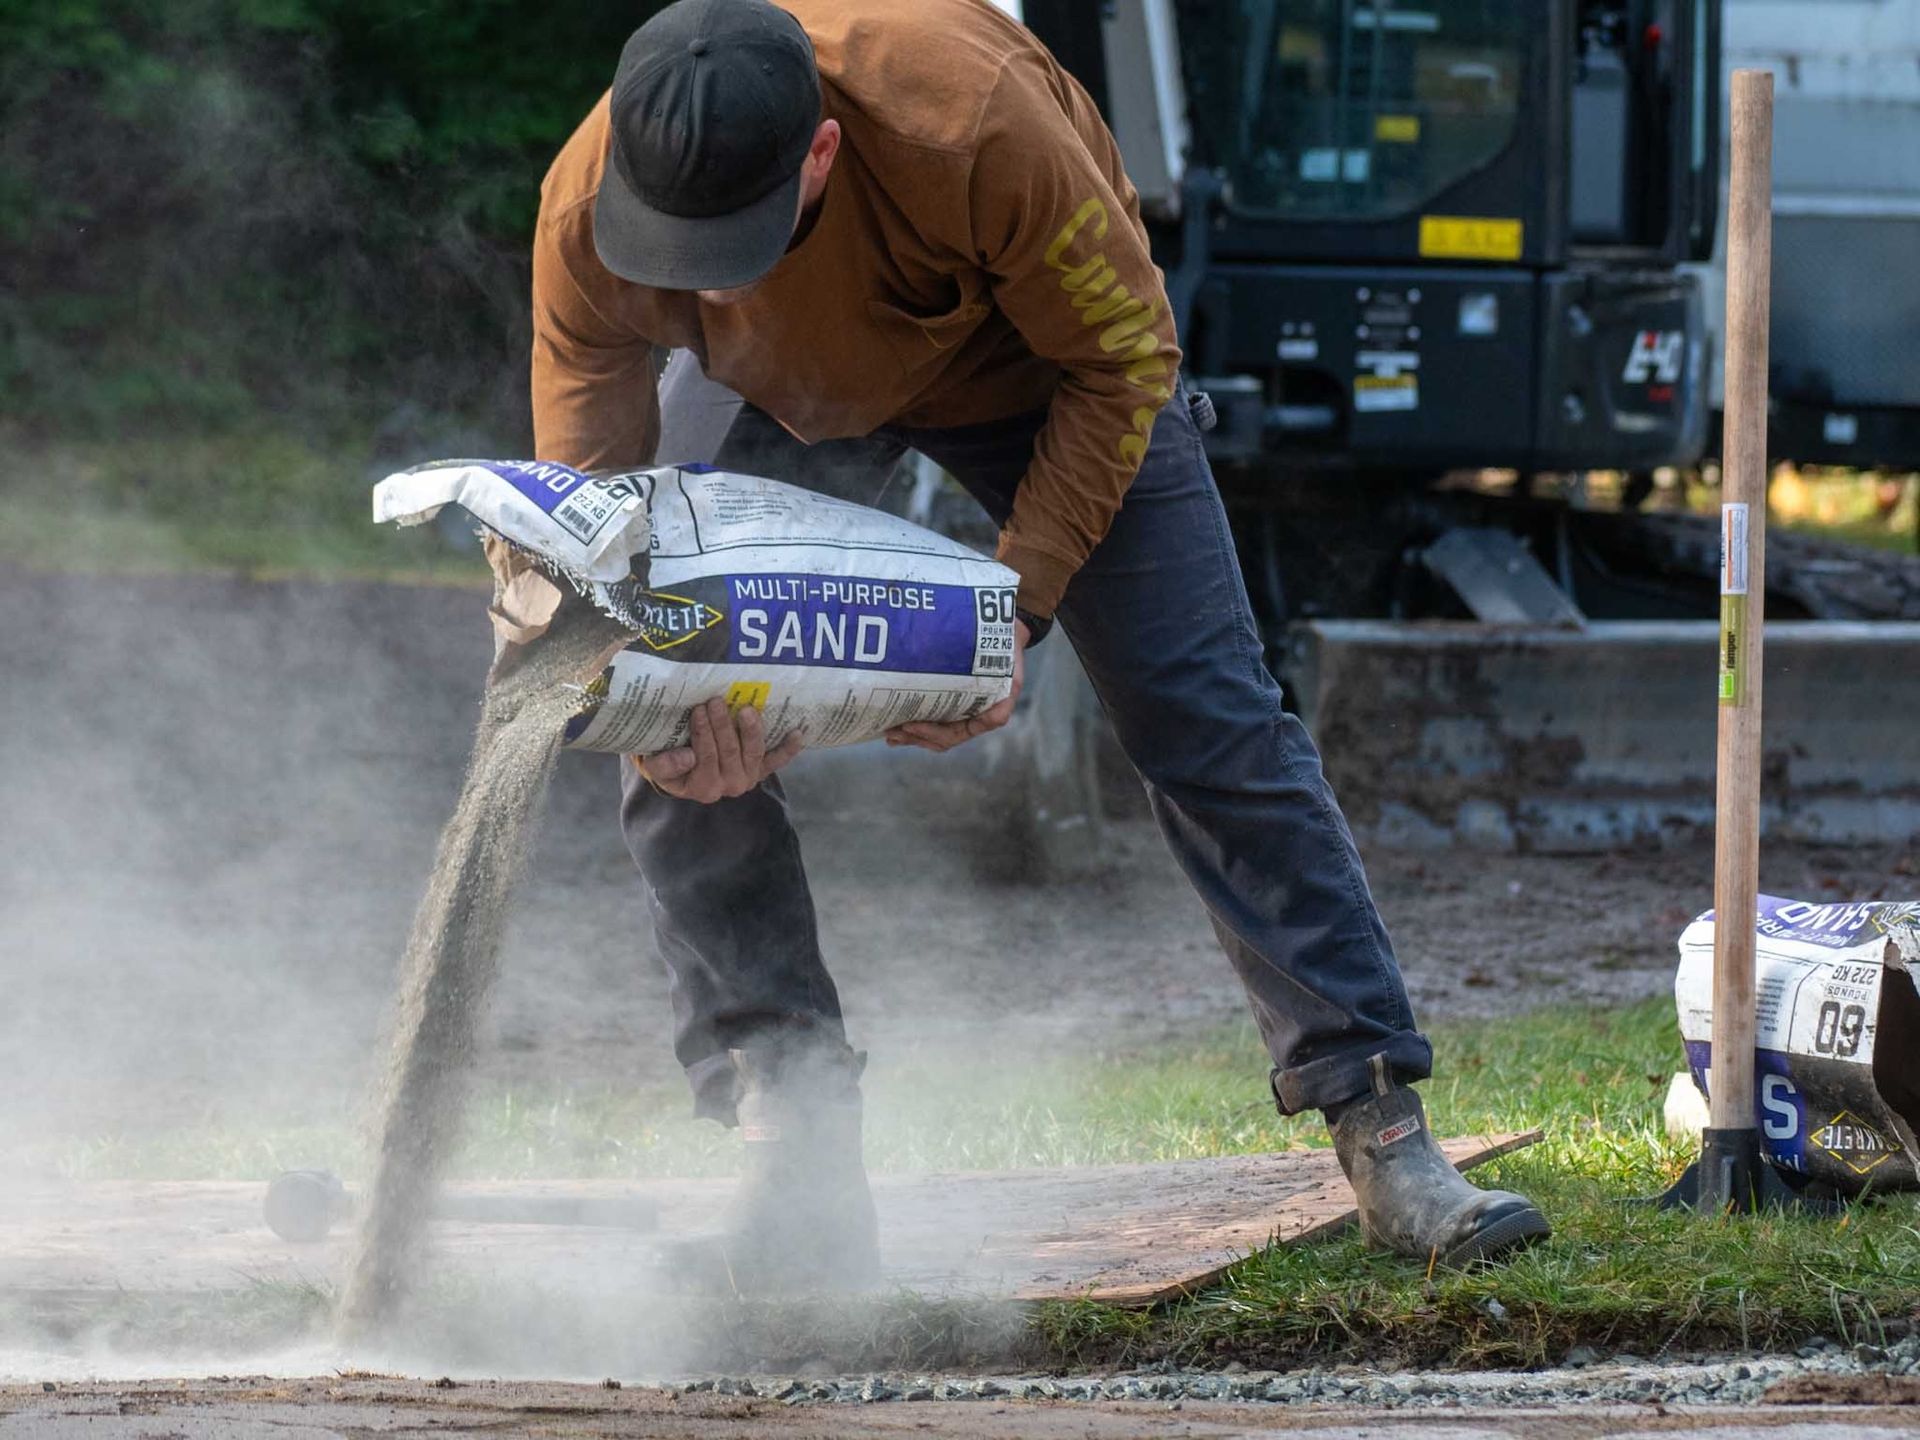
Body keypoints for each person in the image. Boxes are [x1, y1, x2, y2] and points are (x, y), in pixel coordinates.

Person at [490, 0, 1549, 1290]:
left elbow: (1122, 361)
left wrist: (1007, 616)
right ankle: (798, 1155)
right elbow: (592, 528)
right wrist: (646, 704)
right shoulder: (584, 209)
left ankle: (1383, 1131)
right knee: (660, 709)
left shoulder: (971, 119)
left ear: (819, 155)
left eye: (739, 243)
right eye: (681, 250)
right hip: (770, 394)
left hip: (1047, 373)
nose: (706, 275)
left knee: (1204, 718)